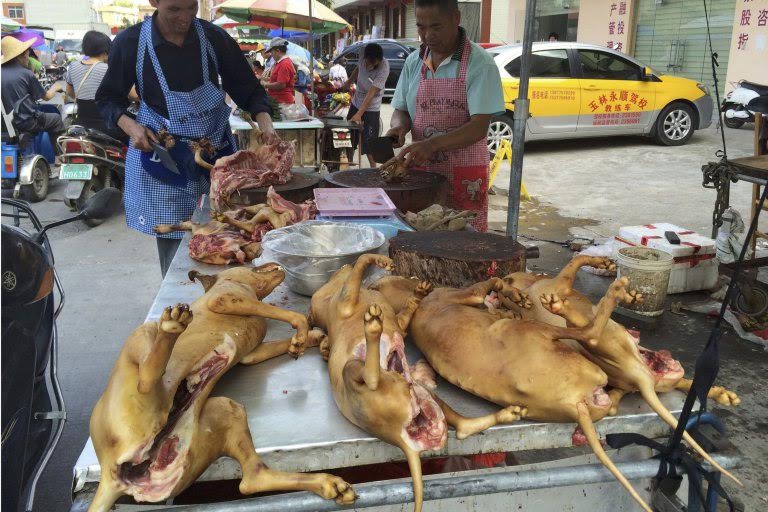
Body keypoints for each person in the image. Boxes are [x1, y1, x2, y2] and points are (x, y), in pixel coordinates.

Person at [95, 0, 275, 277]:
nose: (185, 17)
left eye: (191, 7)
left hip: (217, 156)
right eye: (174, 9)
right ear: (155, 2)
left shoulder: (214, 38)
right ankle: (177, 305)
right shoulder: (131, 43)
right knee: (176, 249)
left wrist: (266, 125)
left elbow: (247, 88)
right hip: (165, 158)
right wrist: (131, 127)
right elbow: (108, 98)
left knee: (231, 235)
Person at [386, 0, 504, 232]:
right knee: (421, 236)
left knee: (464, 241)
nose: (428, 35)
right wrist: (398, 128)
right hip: (421, 173)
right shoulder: (413, 62)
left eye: (436, 26)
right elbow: (401, 109)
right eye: (421, 27)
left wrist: (432, 144)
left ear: (456, 19)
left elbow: (479, 126)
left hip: (465, 176)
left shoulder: (480, 64)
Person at [65, 31, 132, 143]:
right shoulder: (108, 69)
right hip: (109, 127)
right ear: (106, 52)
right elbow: (133, 94)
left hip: (82, 124)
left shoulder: (73, 66)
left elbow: (70, 92)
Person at [1, 36, 65, 145]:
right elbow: (46, 96)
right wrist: (56, 87)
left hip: (4, 124)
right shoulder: (26, 74)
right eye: (27, 54)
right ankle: (60, 157)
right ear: (20, 56)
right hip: (25, 122)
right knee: (56, 119)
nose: (28, 57)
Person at [343, 43, 389, 167]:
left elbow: (372, 92)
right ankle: (349, 161)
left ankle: (373, 168)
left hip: (372, 106)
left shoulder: (384, 66)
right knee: (350, 134)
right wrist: (348, 83)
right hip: (357, 101)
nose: (371, 66)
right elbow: (358, 69)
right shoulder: (363, 52)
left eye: (375, 64)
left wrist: (359, 114)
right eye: (370, 62)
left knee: (369, 140)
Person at [261, 37, 296, 105]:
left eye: (272, 51)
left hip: (283, 101)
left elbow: (281, 84)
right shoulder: (280, 62)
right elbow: (276, 80)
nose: (271, 54)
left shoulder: (284, 63)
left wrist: (265, 85)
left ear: (278, 51)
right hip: (277, 99)